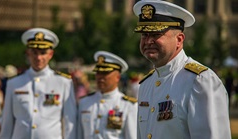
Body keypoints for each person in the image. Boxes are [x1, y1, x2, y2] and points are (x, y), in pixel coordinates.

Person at [133, 1, 231, 139]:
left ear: (179, 39)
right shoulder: (146, 84)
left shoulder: (200, 81)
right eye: (144, 35)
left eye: (155, 35)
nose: (148, 41)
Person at [0, 28, 77, 139]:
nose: (38, 58)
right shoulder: (14, 83)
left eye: (43, 53)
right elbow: (7, 124)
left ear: (50, 54)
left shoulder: (63, 83)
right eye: (34, 53)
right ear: (28, 53)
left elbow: (69, 124)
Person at [77, 51, 137, 139]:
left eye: (105, 73)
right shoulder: (84, 102)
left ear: (117, 77)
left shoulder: (128, 105)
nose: (100, 77)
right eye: (98, 72)